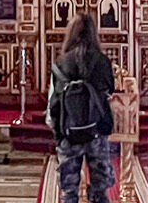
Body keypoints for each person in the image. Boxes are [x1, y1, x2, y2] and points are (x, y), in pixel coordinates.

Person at [49, 15, 116, 203]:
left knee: (69, 193)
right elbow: (110, 89)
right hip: (96, 130)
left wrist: (57, 132)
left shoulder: (62, 62)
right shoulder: (102, 61)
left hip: (69, 130)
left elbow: (54, 101)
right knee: (100, 191)